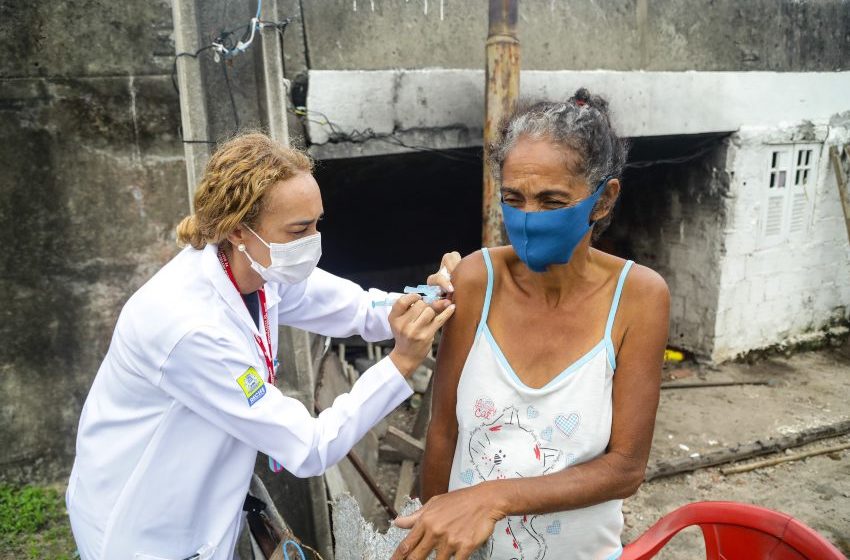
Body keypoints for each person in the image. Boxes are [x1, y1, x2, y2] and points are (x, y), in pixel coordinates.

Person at [66, 132, 459, 560]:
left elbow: (360, 309)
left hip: (203, 505)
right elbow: (308, 448)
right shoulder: (189, 327)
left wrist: (428, 297)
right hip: (145, 532)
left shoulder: (259, 269)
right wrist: (400, 363)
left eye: (317, 223)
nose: (313, 241)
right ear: (239, 230)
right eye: (299, 229)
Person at [393, 89, 670, 560]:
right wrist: (433, 527)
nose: (527, 218)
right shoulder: (477, 279)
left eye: (552, 200)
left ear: (603, 201)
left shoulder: (639, 297)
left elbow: (625, 468)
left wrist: (490, 498)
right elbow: (443, 431)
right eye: (512, 198)